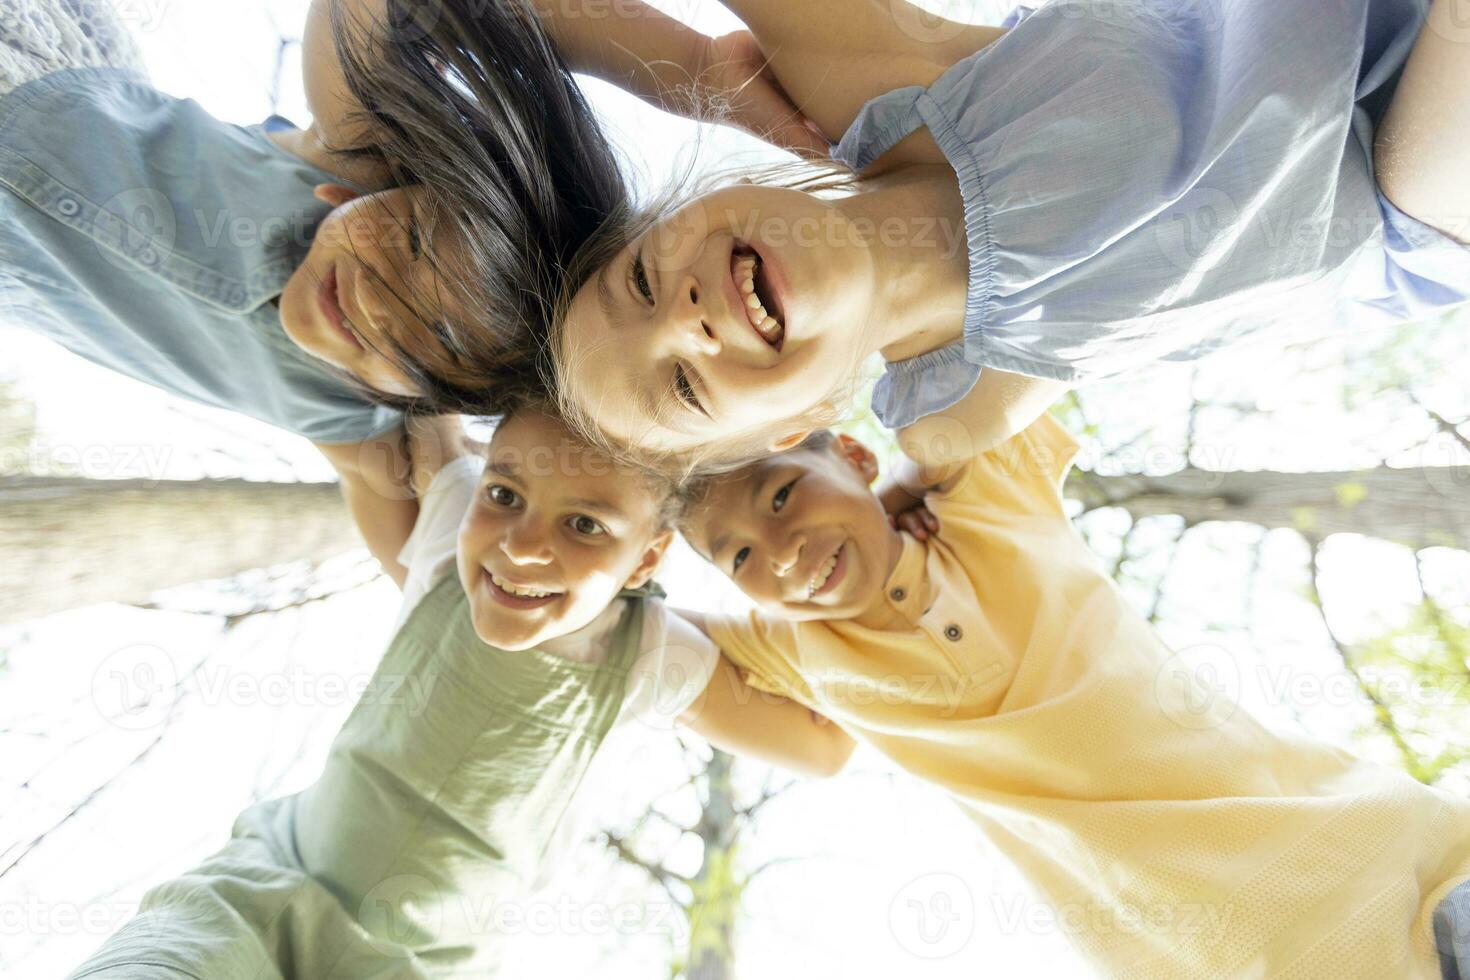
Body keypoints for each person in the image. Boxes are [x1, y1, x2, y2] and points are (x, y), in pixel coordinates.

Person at [0, 0, 821, 580]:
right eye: (414, 240)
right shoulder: (348, 165)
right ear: (369, 194)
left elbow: (422, 567)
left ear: (434, 401)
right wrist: (691, 62)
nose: (375, 297)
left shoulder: (355, 419)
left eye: (436, 338)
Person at [67, 399, 854, 979]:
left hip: (423, 966)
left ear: (646, 560)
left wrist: (881, 563)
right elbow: (379, 423)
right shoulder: (447, 540)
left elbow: (823, 746)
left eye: (585, 526)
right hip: (261, 895)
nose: (521, 547)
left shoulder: (649, 652)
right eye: (505, 496)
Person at [677, 413, 1470, 978]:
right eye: (738, 554)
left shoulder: (994, 503)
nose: (779, 553)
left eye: (782, 496)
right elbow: (615, 636)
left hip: (1408, 860)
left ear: (852, 452)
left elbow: (974, 362)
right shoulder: (796, 650)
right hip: (1258, 960)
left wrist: (912, 477)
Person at [549, 0, 1470, 470]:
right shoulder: (958, 410)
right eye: (680, 385)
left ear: (681, 209)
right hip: (1412, 199)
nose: (685, 320)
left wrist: (650, 57)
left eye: (638, 283)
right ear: (799, 424)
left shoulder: (881, 85)